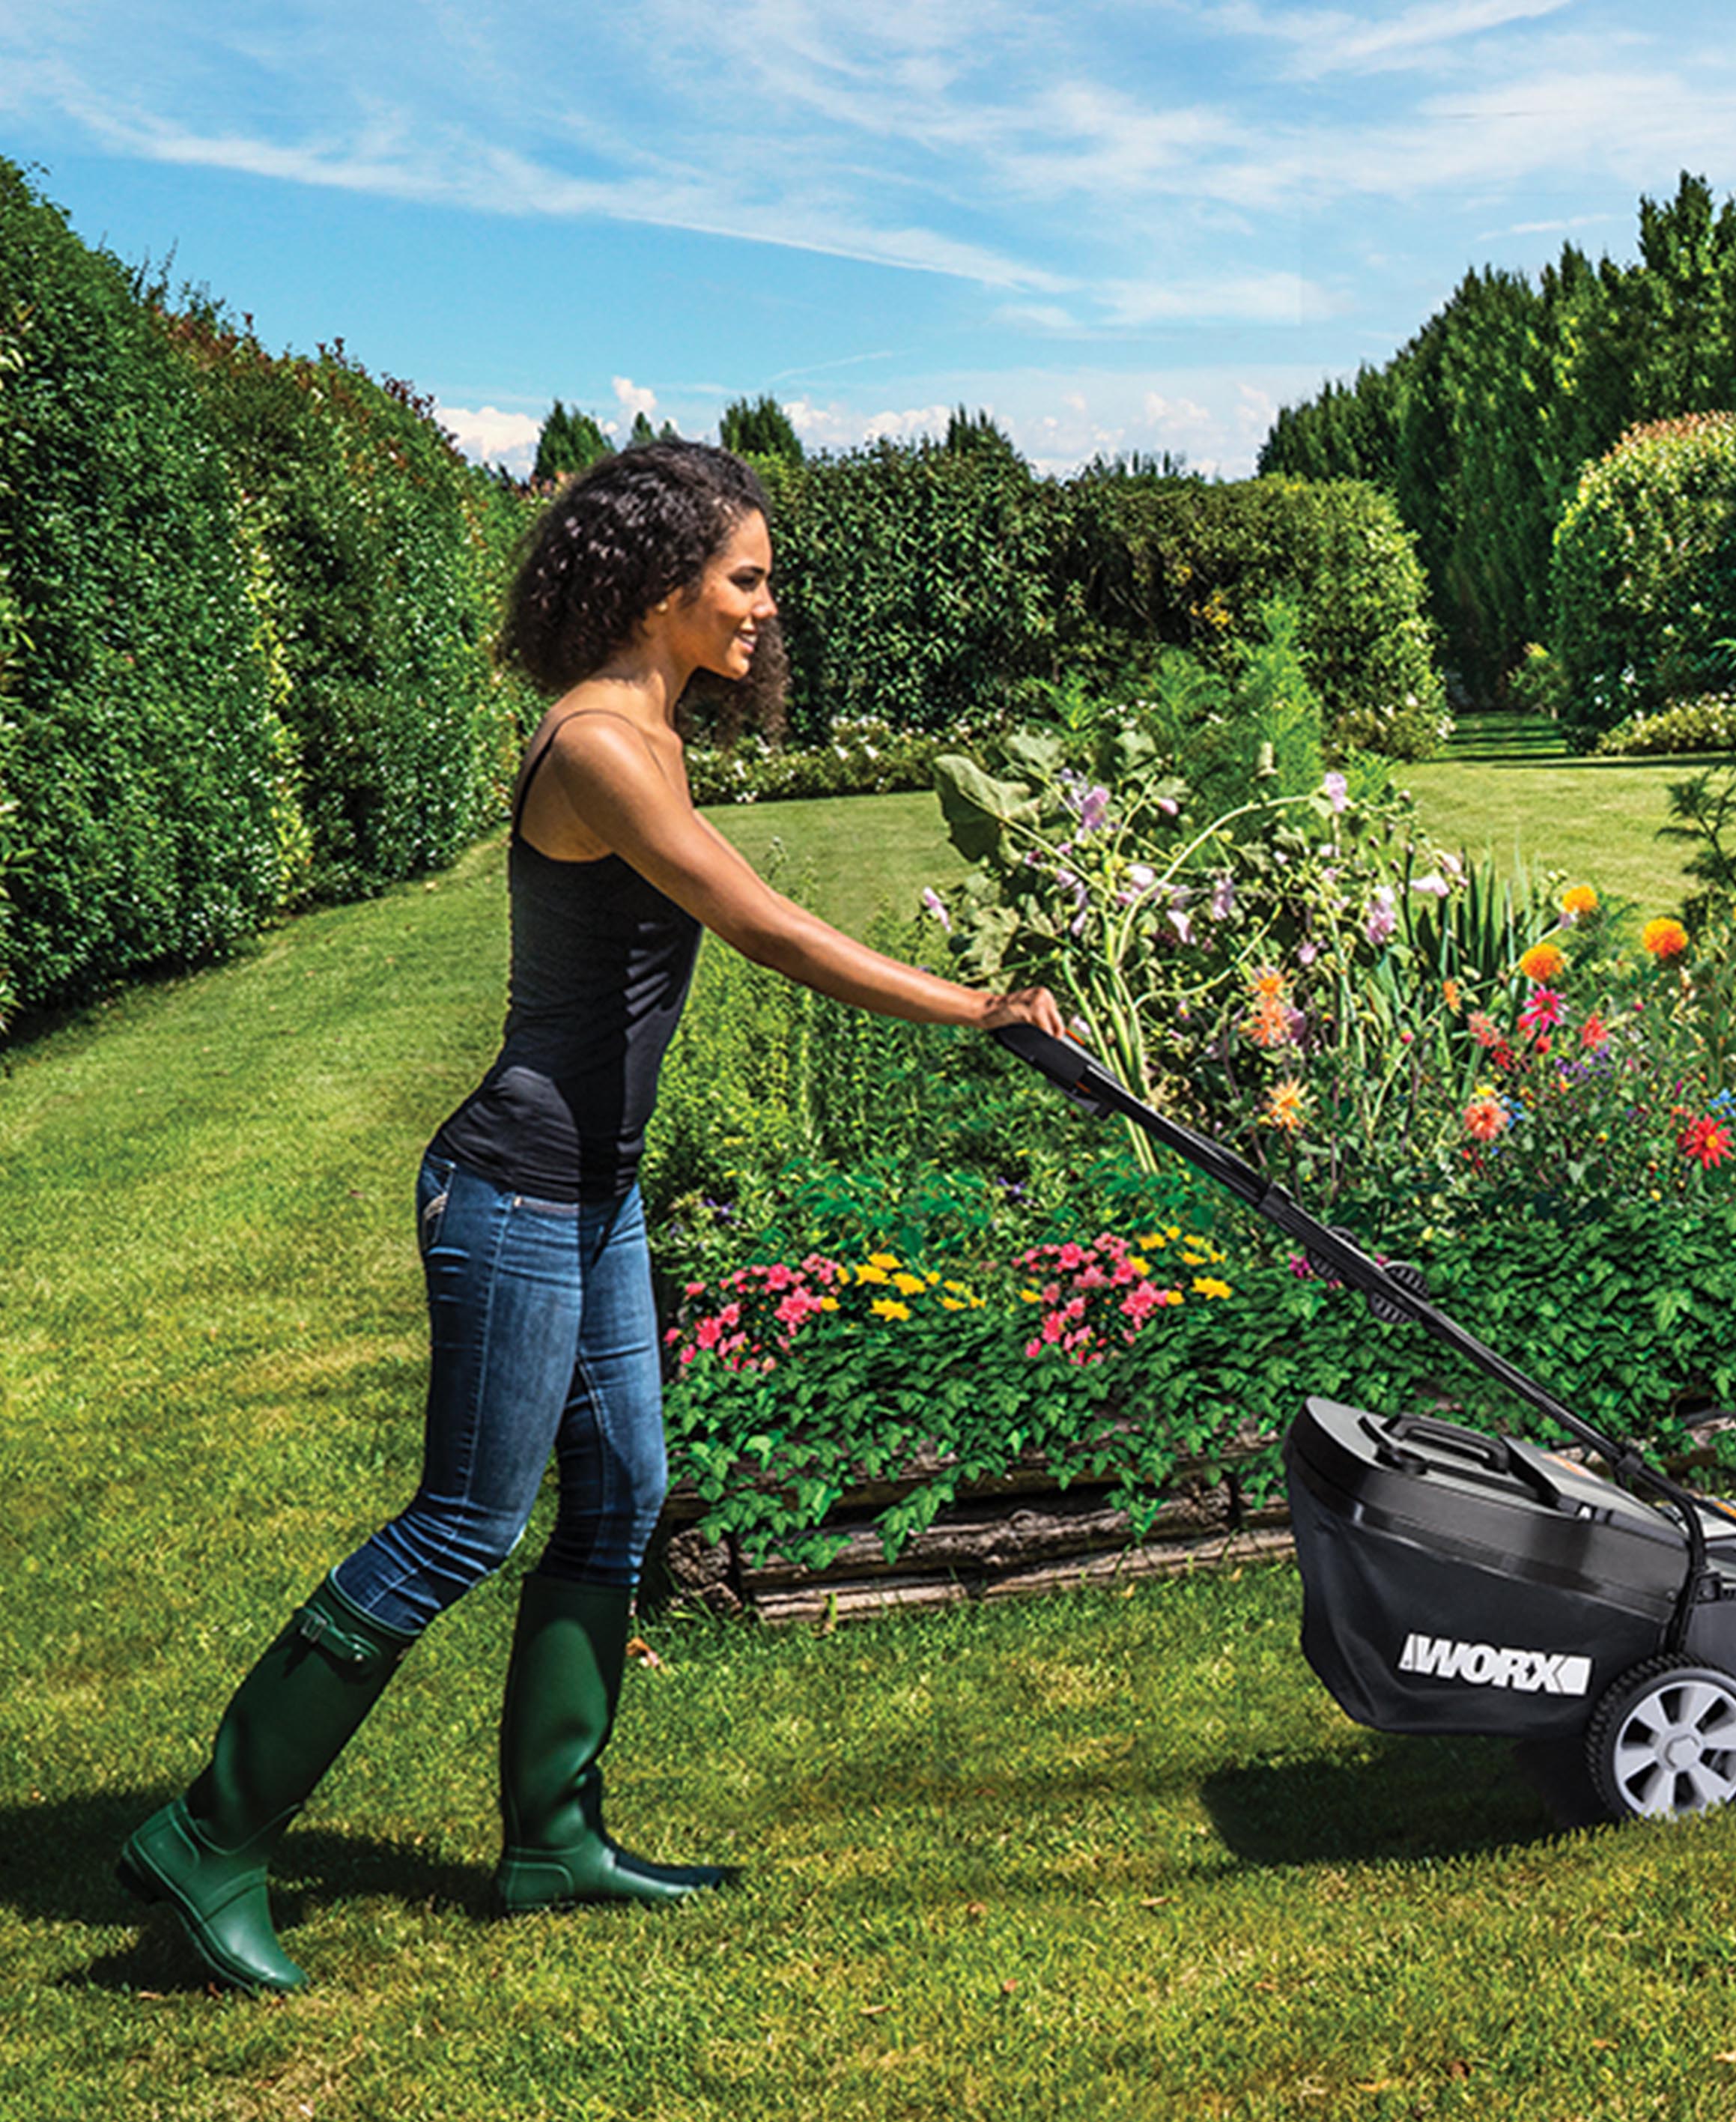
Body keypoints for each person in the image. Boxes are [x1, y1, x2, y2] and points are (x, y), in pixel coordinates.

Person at [118, 440, 1065, 1995]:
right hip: (514, 1191)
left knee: (624, 1489)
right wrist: (976, 1007)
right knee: (464, 1523)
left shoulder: (651, 731)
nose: (767, 606)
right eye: (745, 578)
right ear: (657, 582)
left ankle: (554, 1837)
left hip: (590, 1195)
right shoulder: (600, 747)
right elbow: (763, 925)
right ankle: (208, 1834)